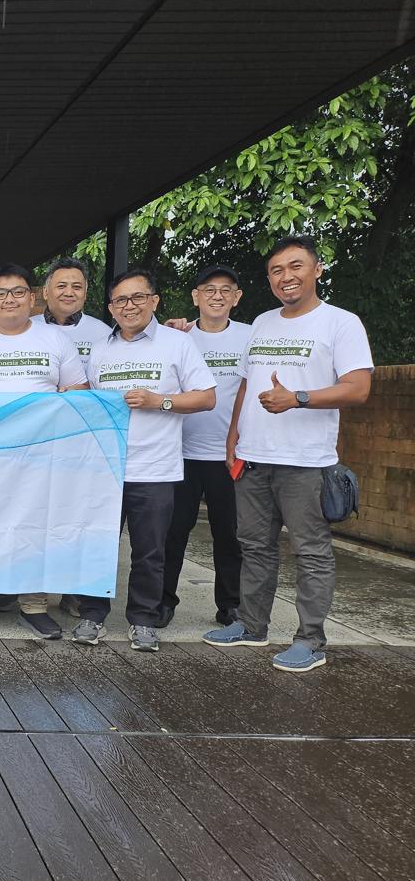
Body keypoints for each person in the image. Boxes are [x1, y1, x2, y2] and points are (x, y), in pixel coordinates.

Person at [204, 235, 373, 672]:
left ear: (317, 269)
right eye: (277, 270)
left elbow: (358, 388)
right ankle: (251, 625)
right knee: (254, 547)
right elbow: (246, 384)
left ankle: (310, 640)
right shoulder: (262, 322)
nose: (286, 277)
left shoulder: (341, 323)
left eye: (296, 266)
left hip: (306, 463)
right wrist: (233, 440)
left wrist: (297, 398)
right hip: (253, 457)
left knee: (310, 552)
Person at [78, 268, 216, 652]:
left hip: (155, 469)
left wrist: (160, 401)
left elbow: (207, 397)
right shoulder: (101, 349)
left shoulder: (178, 343)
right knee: (98, 547)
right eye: (120, 300)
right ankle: (91, 616)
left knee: (150, 551)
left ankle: (143, 620)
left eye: (138, 297)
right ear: (110, 308)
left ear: (154, 301)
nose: (129, 306)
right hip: (106, 468)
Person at [0, 263, 88, 639]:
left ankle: (34, 605)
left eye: (17, 292)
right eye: (0, 294)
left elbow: (79, 391)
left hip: (41, 454)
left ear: (32, 298)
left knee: (35, 527)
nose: (9, 299)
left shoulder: (56, 340)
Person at [160, 265, 251, 629]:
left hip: (228, 455)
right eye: (209, 289)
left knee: (229, 535)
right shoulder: (177, 337)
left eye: (225, 290)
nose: (217, 296)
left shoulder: (250, 336)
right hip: (179, 452)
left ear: (236, 297)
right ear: (195, 296)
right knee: (172, 532)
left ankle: (230, 605)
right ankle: (163, 602)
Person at [32, 257, 113, 619]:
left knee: (76, 519)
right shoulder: (26, 327)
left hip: (84, 443)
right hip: (36, 442)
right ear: (45, 291)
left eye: (76, 286)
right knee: (32, 516)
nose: (68, 292)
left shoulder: (103, 332)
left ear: (86, 292)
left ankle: (73, 591)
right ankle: (18, 587)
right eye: (61, 285)